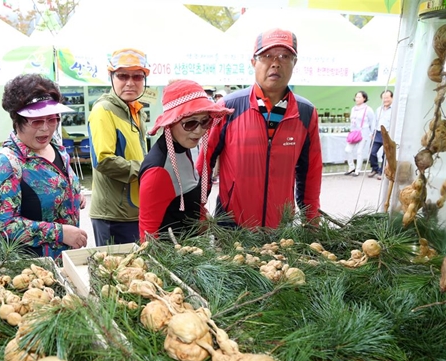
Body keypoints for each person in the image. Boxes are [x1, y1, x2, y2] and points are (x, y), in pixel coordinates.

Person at [207, 28, 323, 229]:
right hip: (232, 226)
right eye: (267, 56)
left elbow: (310, 172)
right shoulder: (228, 108)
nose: (276, 63)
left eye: (285, 56)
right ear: (254, 62)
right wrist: (198, 210)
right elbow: (205, 163)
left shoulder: (305, 113)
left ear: (295, 63)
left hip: (280, 227)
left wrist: (311, 220)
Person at [0, 74, 87, 260]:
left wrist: (72, 194)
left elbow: (53, 186)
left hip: (65, 260)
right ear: (17, 120)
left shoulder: (56, 148)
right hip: (29, 271)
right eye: (36, 121)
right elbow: (4, 226)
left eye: (52, 119)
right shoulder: (6, 164)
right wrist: (60, 232)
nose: (45, 129)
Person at [139, 80, 232, 241]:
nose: (199, 130)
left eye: (205, 121)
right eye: (189, 123)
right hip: (171, 261)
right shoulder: (158, 170)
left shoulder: (183, 148)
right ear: (171, 122)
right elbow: (148, 235)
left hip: (193, 253)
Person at [88, 48, 149, 246]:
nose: (130, 82)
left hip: (136, 211)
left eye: (137, 76)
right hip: (113, 216)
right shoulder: (103, 110)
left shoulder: (136, 111)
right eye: (122, 76)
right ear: (111, 76)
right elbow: (104, 159)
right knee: (115, 274)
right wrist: (146, 170)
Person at [344, 90, 376, 176]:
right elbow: (352, 122)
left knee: (359, 151)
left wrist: (372, 133)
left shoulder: (368, 109)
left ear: (364, 98)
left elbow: (372, 121)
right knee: (348, 150)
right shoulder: (353, 109)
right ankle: (351, 167)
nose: (357, 99)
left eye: (359, 97)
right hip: (354, 133)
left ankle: (357, 170)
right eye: (356, 97)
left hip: (363, 132)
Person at [368, 90, 393, 179]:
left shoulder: (395, 109)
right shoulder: (379, 109)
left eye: (387, 98)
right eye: (383, 98)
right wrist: (372, 132)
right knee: (372, 152)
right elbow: (375, 121)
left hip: (388, 134)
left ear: (392, 98)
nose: (385, 100)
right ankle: (375, 168)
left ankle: (382, 172)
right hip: (378, 133)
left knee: (385, 154)